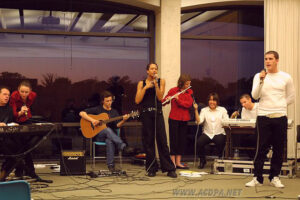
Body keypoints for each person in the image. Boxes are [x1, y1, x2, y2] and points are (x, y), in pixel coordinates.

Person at [245, 51, 294, 188]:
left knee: (278, 148)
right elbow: (255, 96)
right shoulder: (259, 76)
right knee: (261, 148)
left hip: (280, 117)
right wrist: (261, 80)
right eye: (266, 59)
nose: (268, 61)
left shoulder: (286, 77)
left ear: (277, 60)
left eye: (270, 59)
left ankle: (275, 177)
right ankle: (257, 178)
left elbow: (291, 97)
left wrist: (280, 106)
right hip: (263, 117)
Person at [135, 63, 177, 178]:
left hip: (157, 113)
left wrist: (156, 85)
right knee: (148, 142)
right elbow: (137, 100)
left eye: (156, 69)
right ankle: (152, 168)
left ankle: (169, 168)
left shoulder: (161, 81)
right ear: (147, 71)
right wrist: (145, 88)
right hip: (146, 114)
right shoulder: (141, 83)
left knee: (162, 141)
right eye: (152, 69)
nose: (154, 70)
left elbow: (160, 97)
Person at [79, 91, 129, 172]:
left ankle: (111, 166)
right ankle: (121, 144)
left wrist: (124, 120)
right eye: (107, 101)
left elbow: (117, 125)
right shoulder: (97, 109)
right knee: (107, 129)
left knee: (109, 141)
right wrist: (92, 120)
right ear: (103, 101)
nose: (109, 102)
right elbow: (81, 113)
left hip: (110, 136)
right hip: (98, 136)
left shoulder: (114, 112)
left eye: (110, 100)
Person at [9, 81, 40, 180]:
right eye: (22, 91)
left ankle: (25, 171)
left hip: (26, 119)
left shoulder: (33, 95)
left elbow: (29, 104)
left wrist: (25, 110)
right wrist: (20, 112)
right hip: (15, 120)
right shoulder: (13, 96)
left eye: (26, 92)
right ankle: (22, 170)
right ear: (18, 90)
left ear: (30, 91)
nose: (24, 94)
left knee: (26, 145)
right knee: (19, 146)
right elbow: (13, 114)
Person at [162, 74, 193, 169]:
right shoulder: (173, 90)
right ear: (181, 83)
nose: (188, 86)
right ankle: (173, 163)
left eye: (189, 84)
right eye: (186, 84)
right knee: (173, 140)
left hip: (184, 119)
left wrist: (178, 100)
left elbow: (188, 104)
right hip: (174, 119)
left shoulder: (189, 92)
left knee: (182, 141)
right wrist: (167, 99)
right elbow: (164, 101)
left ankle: (178, 162)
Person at [194, 93, 229, 169]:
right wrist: (196, 110)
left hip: (219, 132)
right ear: (208, 101)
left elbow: (227, 121)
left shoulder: (222, 110)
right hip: (207, 133)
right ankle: (202, 160)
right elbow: (199, 122)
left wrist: (231, 118)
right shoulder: (204, 110)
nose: (212, 102)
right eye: (210, 100)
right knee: (199, 142)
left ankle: (220, 161)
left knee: (221, 141)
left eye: (214, 100)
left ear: (217, 101)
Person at [0, 86, 15, 181]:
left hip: (5, 138)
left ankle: (3, 174)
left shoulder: (9, 109)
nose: (7, 97)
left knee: (19, 149)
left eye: (8, 95)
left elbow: (9, 122)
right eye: (4, 94)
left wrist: (13, 125)